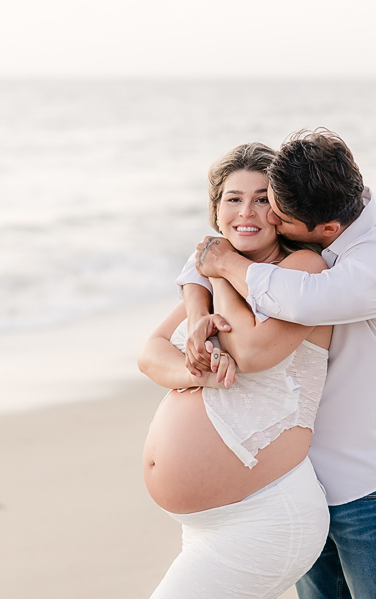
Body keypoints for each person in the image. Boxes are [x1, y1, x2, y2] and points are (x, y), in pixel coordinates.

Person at [186, 129, 376, 599]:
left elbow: (297, 297)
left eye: (279, 214)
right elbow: (205, 259)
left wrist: (225, 265)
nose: (268, 216)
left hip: (369, 485)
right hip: (302, 485)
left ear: (326, 230)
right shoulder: (317, 225)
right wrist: (204, 287)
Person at [138, 142, 333, 599]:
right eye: (233, 198)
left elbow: (250, 354)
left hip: (265, 514)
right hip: (212, 526)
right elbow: (151, 353)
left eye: (263, 198)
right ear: (216, 207)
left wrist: (220, 272)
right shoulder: (206, 275)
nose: (247, 211)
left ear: (284, 209)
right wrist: (199, 367)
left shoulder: (301, 268)